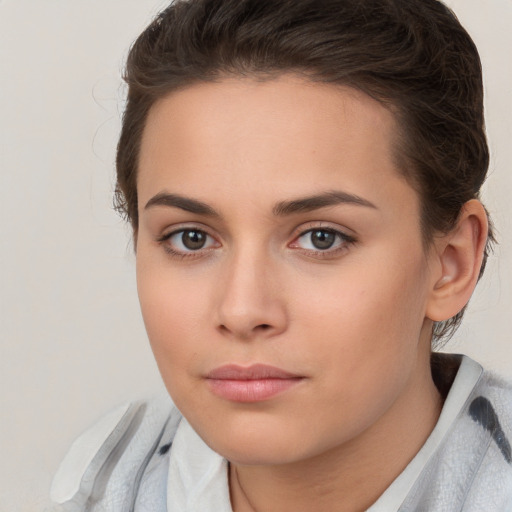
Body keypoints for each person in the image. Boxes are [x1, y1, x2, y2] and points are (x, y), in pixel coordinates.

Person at [49, 0, 512, 510]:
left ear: (451, 264)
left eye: (321, 238)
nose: (242, 311)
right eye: (191, 238)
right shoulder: (104, 480)